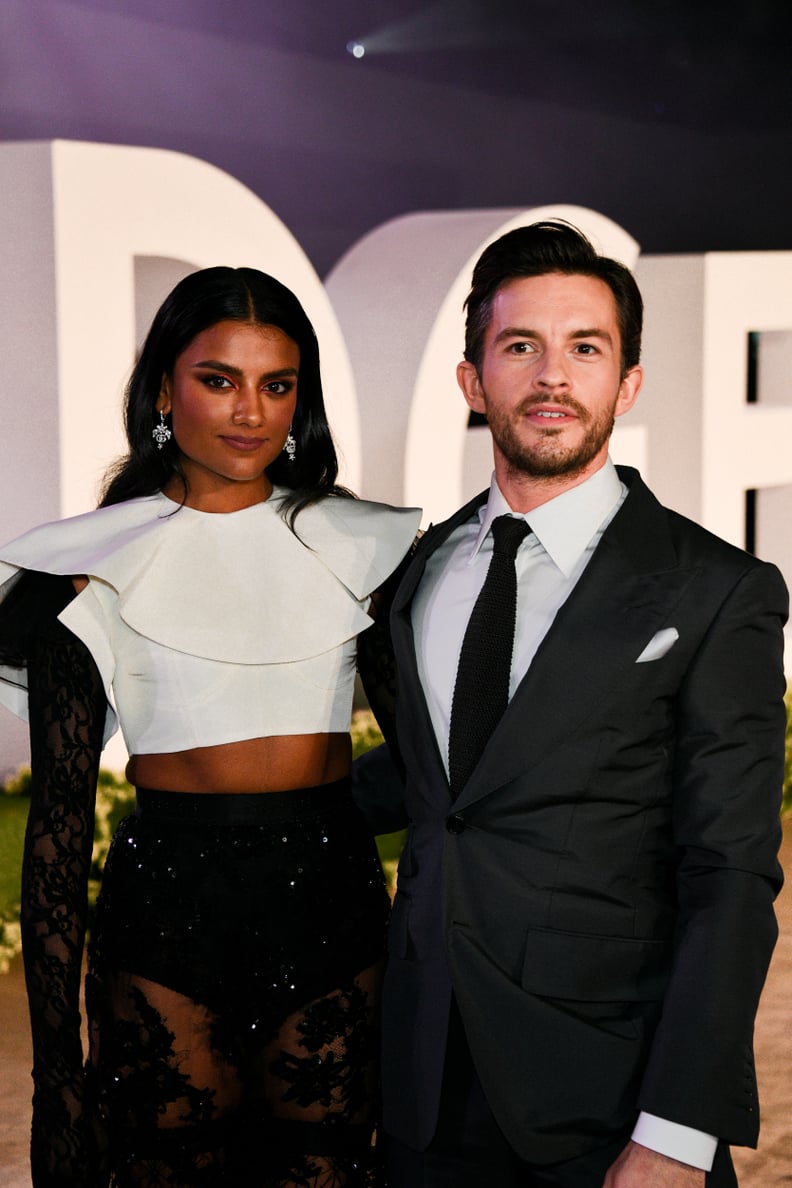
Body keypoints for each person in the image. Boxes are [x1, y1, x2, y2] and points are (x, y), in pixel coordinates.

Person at [354, 221, 787, 1187]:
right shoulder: (422, 571)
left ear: (626, 383)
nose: (553, 376)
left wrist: (677, 1131)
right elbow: (448, 783)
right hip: (420, 1092)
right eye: (521, 348)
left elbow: (729, 874)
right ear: (473, 381)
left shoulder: (718, 591)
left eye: (584, 348)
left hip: (609, 1103)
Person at [0, 266, 420, 1187]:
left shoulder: (363, 547)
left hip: (334, 908)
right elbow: (58, 844)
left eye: (277, 385)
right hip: (165, 921)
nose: (251, 411)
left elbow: (436, 775)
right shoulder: (87, 564)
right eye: (218, 379)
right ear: (162, 388)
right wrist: (57, 1081)